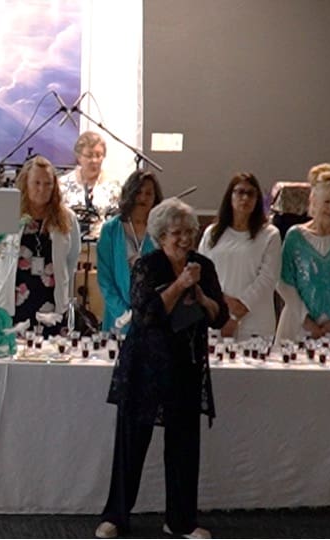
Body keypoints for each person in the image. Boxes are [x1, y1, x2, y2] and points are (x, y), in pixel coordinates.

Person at [97, 198, 227, 540]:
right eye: (176, 233)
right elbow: (146, 315)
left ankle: (181, 521)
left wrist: (198, 293)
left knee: (184, 448)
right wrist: (180, 285)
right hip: (145, 366)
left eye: (189, 232)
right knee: (131, 444)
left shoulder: (204, 266)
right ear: (160, 236)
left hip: (186, 366)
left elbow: (220, 317)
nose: (184, 239)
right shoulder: (147, 265)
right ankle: (116, 517)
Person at [0, 156, 80, 336]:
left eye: (47, 184)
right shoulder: (6, 213)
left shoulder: (67, 219)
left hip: (49, 300)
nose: (42, 189)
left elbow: (71, 260)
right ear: (26, 183)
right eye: (36, 183)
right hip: (14, 298)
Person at [275, 164, 330, 342]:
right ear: (314, 201)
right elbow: (284, 282)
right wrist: (306, 320)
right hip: (297, 325)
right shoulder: (295, 236)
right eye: (327, 202)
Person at [198, 172, 281, 339]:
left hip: (255, 322)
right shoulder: (213, 233)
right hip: (217, 316)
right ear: (230, 196)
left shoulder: (269, 235)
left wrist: (237, 313)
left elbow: (267, 279)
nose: (245, 198)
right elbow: (202, 273)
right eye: (240, 192)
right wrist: (223, 300)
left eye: (251, 193)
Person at [96, 170, 161, 333]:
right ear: (129, 193)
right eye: (139, 192)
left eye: (149, 193)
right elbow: (105, 279)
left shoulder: (160, 230)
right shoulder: (110, 229)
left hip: (152, 317)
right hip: (118, 316)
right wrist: (123, 313)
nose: (143, 198)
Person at [60, 131, 120, 234]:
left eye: (99, 155)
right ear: (79, 157)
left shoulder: (114, 186)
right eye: (89, 155)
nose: (94, 160)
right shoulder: (63, 184)